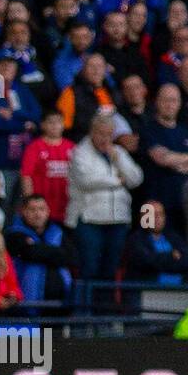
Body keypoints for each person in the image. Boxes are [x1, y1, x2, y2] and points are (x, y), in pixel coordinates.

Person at [66, 114, 144, 283]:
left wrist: (118, 160)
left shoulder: (118, 152)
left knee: (111, 270)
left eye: (109, 135)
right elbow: (87, 180)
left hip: (118, 219)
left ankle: (105, 308)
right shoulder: (80, 152)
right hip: (90, 220)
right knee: (90, 268)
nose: (105, 139)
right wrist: (118, 181)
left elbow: (136, 178)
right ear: (92, 132)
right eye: (101, 134)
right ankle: (85, 309)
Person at [4, 194, 76, 303]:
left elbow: (71, 257)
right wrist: (55, 253)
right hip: (23, 305)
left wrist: (37, 248)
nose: (37, 214)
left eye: (41, 209)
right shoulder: (14, 233)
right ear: (23, 211)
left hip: (60, 304)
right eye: (32, 210)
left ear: (48, 211)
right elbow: (29, 253)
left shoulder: (59, 232)